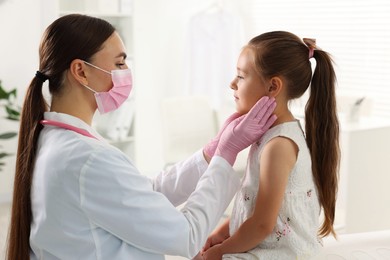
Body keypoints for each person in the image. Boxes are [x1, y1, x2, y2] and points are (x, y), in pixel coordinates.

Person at [6, 14, 277, 260]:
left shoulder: (53, 140)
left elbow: (146, 194)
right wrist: (226, 154)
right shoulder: (86, 159)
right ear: (80, 70)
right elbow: (187, 236)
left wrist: (210, 153)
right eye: (119, 62)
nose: (126, 73)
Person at [200, 31, 340, 259]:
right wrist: (221, 234)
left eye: (241, 76)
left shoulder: (278, 145)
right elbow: (253, 207)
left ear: (273, 87)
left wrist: (221, 251)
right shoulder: (270, 137)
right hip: (266, 245)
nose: (232, 83)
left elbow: (262, 224)